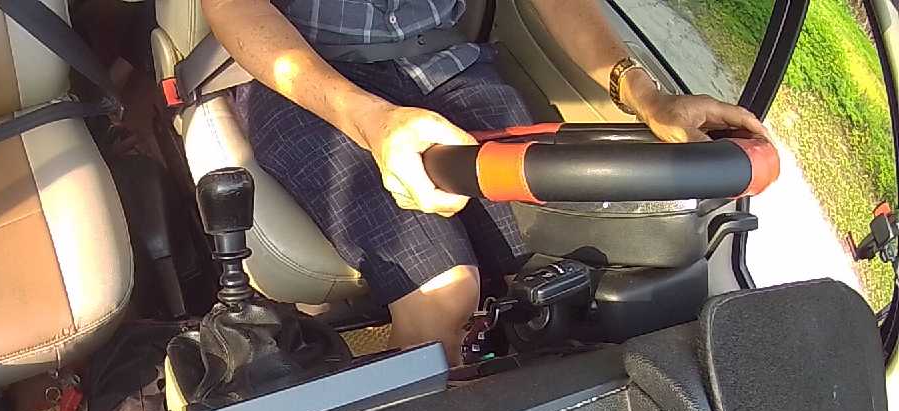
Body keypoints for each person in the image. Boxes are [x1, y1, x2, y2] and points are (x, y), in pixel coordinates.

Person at [205, 0, 770, 362]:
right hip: (307, 78)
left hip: (447, 64)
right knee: (442, 298)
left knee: (556, 267)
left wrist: (649, 97)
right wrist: (369, 120)